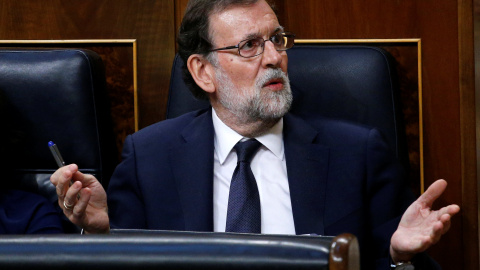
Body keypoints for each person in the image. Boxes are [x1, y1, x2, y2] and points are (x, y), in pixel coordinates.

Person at [50, 0, 460, 268]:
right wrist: (102, 231)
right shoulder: (150, 158)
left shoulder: (357, 153)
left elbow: (399, 255)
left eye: (277, 40)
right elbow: (127, 261)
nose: (274, 58)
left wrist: (400, 256)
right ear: (202, 71)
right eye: (249, 45)